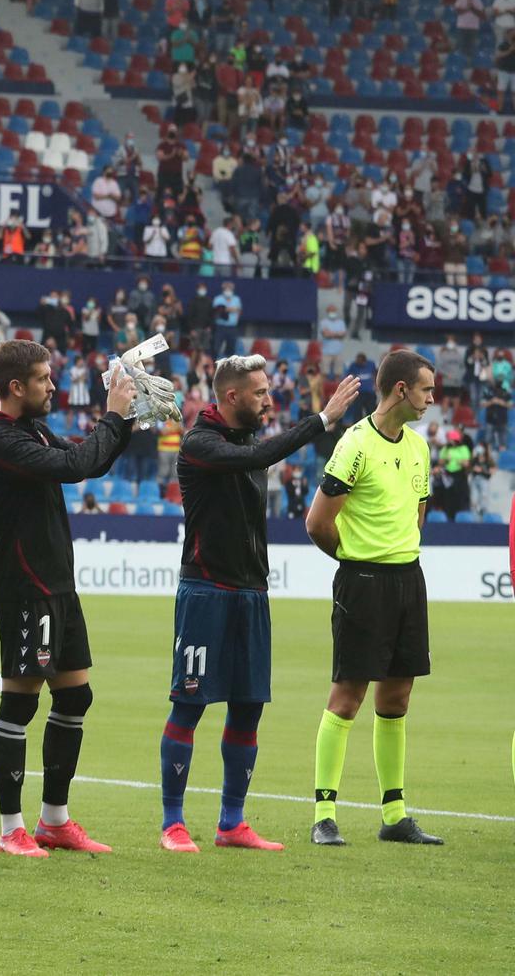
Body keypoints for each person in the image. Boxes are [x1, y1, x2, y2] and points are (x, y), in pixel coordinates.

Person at [163, 355, 360, 853]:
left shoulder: (247, 439)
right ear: (231, 397)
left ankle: (232, 823)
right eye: (259, 393)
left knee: (248, 708)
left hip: (252, 594)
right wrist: (322, 420)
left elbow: (258, 453)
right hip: (206, 591)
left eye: (268, 391)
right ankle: (173, 824)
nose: (269, 400)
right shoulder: (200, 443)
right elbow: (258, 459)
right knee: (189, 706)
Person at [0, 338, 136, 857]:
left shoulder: (28, 429)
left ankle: (54, 821)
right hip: (25, 585)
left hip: (56, 581)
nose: (54, 386)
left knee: (75, 695)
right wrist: (114, 417)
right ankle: (11, 827)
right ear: (17, 387)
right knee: (20, 700)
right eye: (44, 378)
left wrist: (126, 421)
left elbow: (88, 459)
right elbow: (77, 465)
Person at [305, 349, 442, 847]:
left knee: (398, 697)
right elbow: (318, 523)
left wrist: (395, 552)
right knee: (348, 696)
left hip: (409, 579)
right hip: (362, 582)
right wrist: (358, 557)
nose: (432, 398)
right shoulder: (355, 444)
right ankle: (324, 814)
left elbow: (417, 512)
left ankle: (395, 815)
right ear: (401, 390)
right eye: (426, 389)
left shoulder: (420, 448)